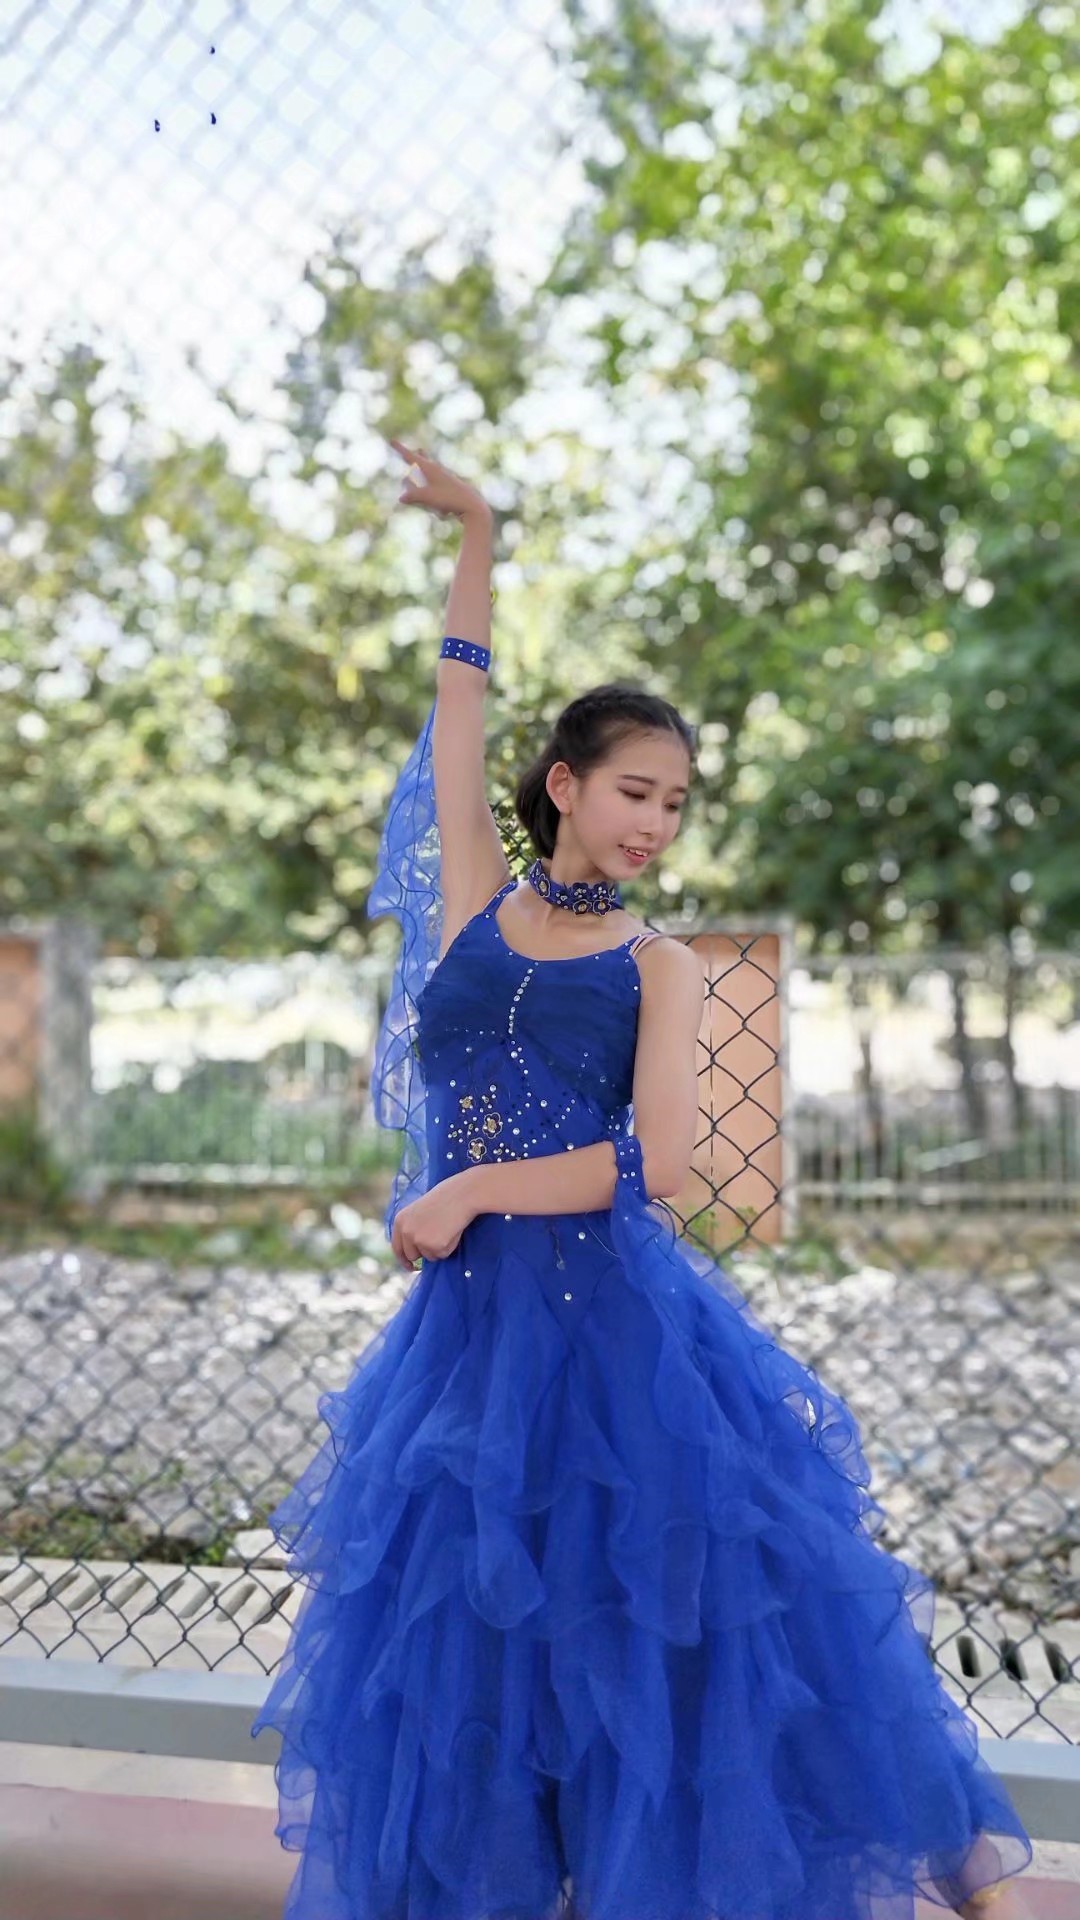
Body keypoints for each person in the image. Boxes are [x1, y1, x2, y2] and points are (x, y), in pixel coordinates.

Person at [250, 440, 1034, 1920]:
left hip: (615, 1331)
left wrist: (469, 1194)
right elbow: (458, 707)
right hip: (468, 1347)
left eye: (675, 804)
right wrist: (478, 533)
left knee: (736, 1615)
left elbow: (659, 1165)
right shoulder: (473, 901)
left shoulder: (657, 963)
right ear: (563, 785)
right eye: (633, 791)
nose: (654, 826)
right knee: (481, 1633)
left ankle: (967, 1879)